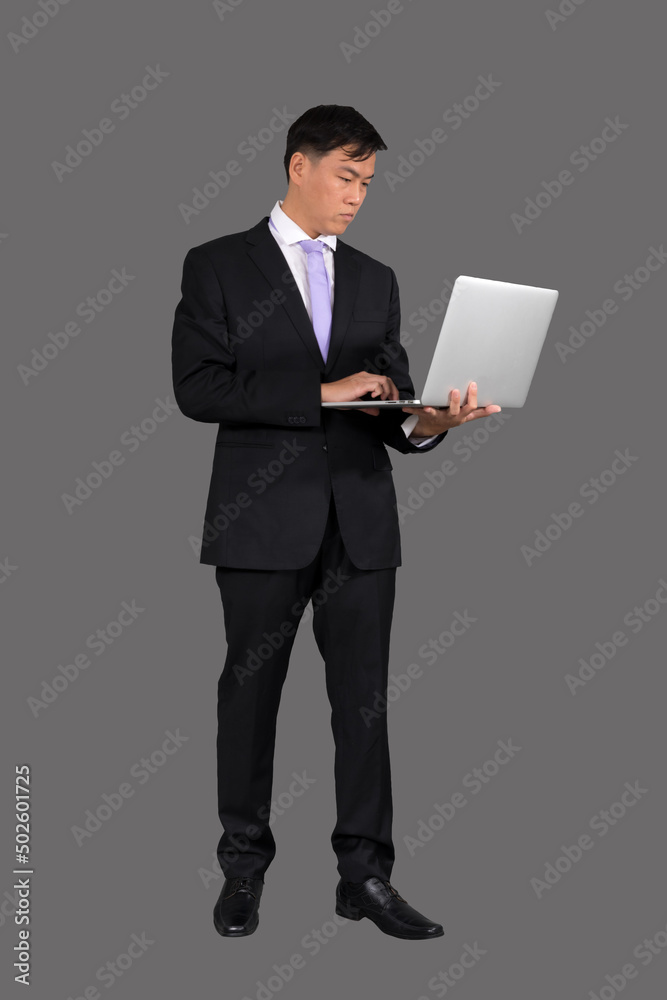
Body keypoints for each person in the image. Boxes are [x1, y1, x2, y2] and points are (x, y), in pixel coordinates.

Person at [171, 104, 500, 940]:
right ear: (297, 166)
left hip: (360, 520)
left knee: (362, 704)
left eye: (369, 183)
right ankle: (241, 870)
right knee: (249, 699)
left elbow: (389, 406)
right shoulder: (216, 265)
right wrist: (318, 393)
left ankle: (365, 877)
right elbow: (197, 389)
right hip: (258, 521)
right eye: (346, 177)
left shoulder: (374, 278)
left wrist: (432, 423)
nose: (358, 197)